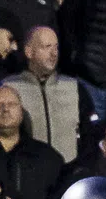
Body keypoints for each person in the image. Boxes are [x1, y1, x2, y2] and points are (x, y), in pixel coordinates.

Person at [5, 25, 85, 162]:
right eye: (47, 47)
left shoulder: (74, 87)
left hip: (68, 173)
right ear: (29, 52)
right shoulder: (9, 88)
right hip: (28, 173)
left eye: (56, 47)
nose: (54, 53)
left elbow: (89, 134)